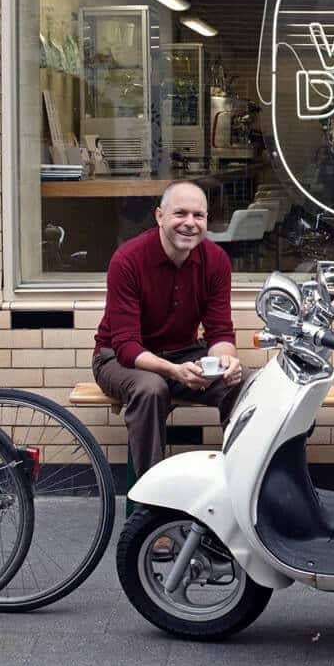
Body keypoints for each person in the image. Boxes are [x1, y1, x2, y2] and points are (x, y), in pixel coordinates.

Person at [92, 181, 245, 477]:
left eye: (198, 215)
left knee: (244, 383)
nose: (190, 223)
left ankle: (241, 482)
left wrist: (226, 361)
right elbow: (126, 346)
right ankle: (150, 492)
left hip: (183, 354)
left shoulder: (216, 261)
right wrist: (173, 371)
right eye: (180, 213)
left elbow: (220, 332)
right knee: (151, 389)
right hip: (117, 358)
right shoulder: (128, 259)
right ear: (160, 216)